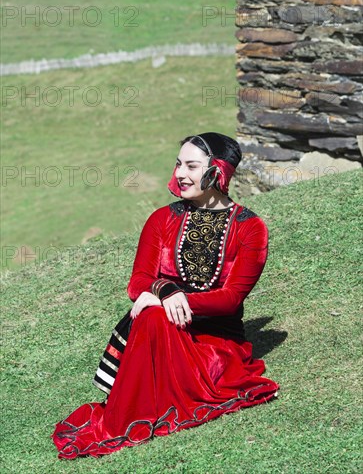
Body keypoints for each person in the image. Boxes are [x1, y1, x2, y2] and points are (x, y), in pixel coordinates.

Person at [52, 132, 279, 459]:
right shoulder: (162, 219)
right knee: (152, 314)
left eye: (191, 166)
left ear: (218, 172)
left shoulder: (250, 227)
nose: (180, 174)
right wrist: (164, 290)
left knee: (153, 312)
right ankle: (130, 414)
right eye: (177, 164)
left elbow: (230, 298)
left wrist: (175, 301)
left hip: (214, 343)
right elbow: (138, 282)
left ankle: (137, 408)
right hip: (163, 329)